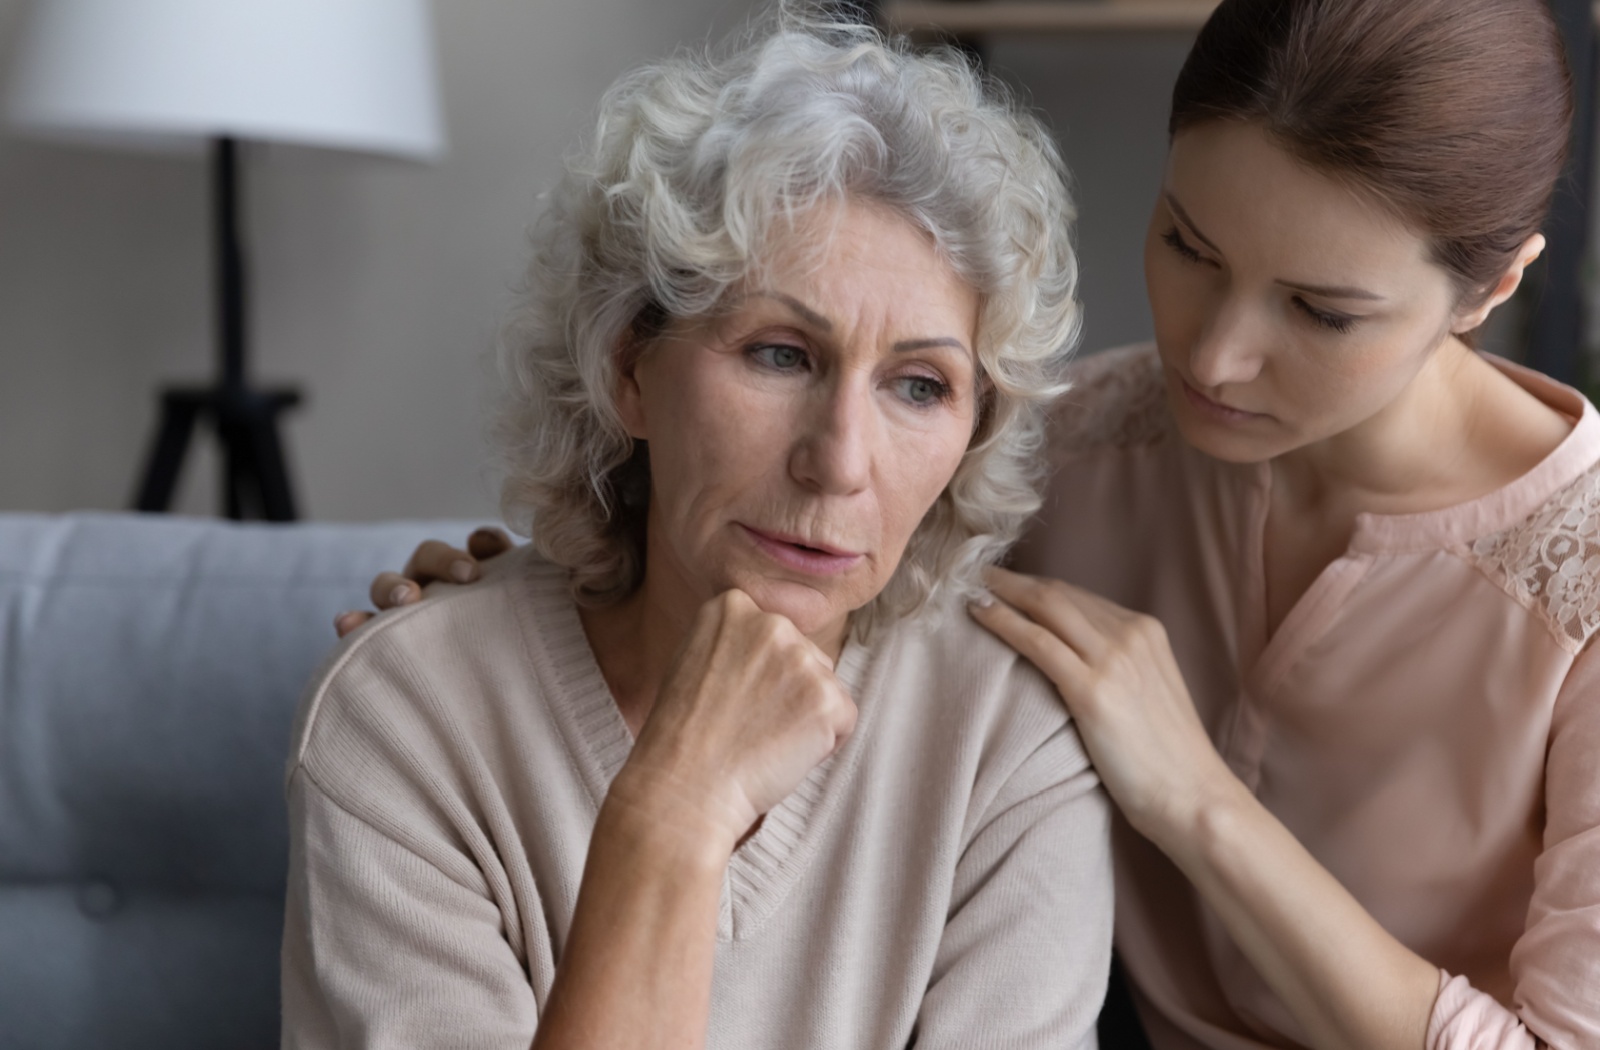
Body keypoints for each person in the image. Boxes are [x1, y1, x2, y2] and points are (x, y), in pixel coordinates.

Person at [369, 0, 1600, 1047]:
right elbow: (765, 507)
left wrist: (1199, 805)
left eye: (1321, 312)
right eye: (1188, 245)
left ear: (1492, 287)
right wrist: (515, 610)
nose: (1215, 356)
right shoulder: (1062, 446)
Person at [283, 13, 1114, 1050]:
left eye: (918, 385)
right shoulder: (410, 717)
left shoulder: (1006, 740)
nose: (840, 461)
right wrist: (675, 812)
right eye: (779, 354)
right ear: (629, 368)